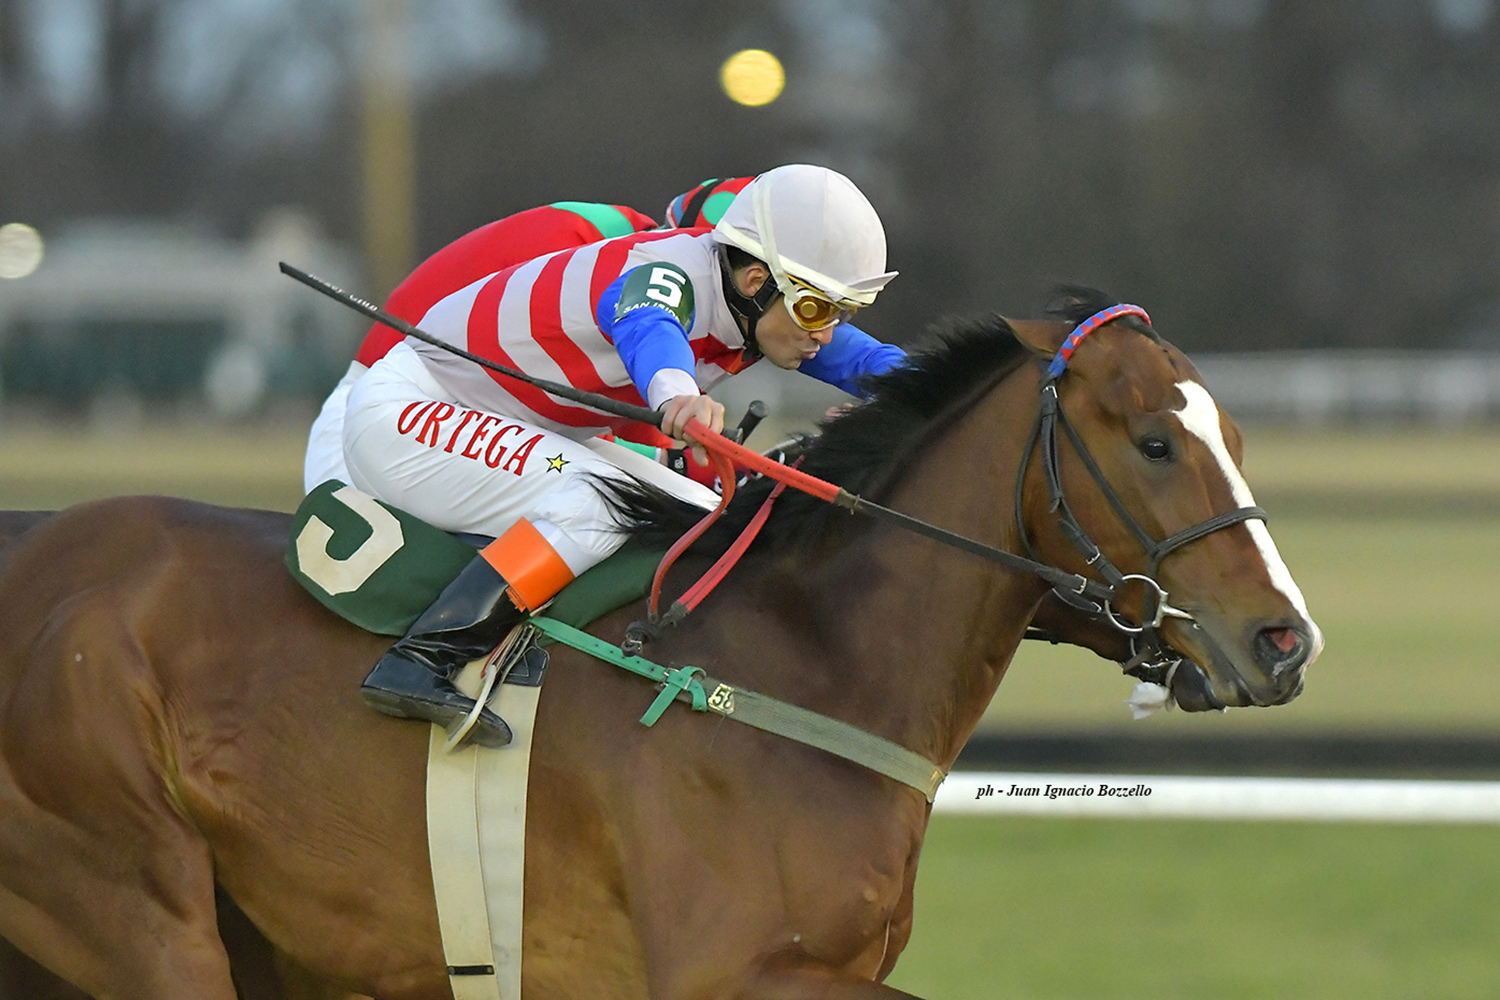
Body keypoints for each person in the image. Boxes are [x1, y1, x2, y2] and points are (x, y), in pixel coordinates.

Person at [340, 165, 906, 746]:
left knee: (700, 512)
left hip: (499, 421)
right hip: (409, 413)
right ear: (757, 278)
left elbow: (869, 362)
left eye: (841, 312)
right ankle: (423, 658)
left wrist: (945, 397)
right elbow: (648, 323)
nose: (826, 334)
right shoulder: (663, 273)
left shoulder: (756, 303)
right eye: (817, 311)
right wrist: (677, 395)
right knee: (603, 500)